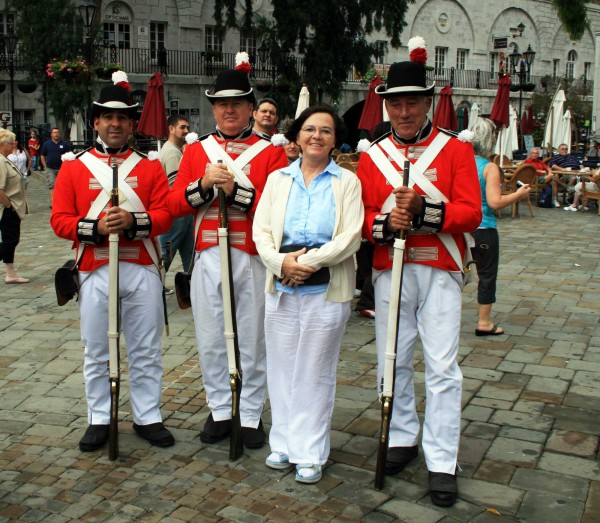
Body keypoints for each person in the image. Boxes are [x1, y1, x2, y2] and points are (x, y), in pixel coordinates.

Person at [356, 36, 482, 507]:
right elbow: (364, 217)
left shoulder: (455, 151)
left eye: (412, 103)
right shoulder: (372, 156)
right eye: (396, 104)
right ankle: (403, 437)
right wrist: (386, 223)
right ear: (386, 107)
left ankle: (442, 459)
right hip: (393, 269)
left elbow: (471, 212)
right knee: (392, 358)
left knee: (443, 366)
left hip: (441, 268)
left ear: (427, 103)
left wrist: (428, 213)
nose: (404, 112)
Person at [167, 59, 288, 449]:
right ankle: (219, 407)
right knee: (211, 336)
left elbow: (278, 210)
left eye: (237, 103)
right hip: (206, 253)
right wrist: (203, 185)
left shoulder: (270, 152)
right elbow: (175, 205)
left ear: (251, 108)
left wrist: (236, 191)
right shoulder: (196, 150)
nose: (229, 110)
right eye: (222, 104)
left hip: (249, 255)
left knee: (252, 338)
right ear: (213, 108)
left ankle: (250, 413)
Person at [50, 72, 175, 452]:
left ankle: (147, 415)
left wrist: (136, 222)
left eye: (122, 118)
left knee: (145, 346)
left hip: (141, 267)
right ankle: (100, 418)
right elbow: (59, 220)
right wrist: (98, 226)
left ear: (131, 123)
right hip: (94, 269)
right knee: (96, 348)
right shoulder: (74, 166)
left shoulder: (150, 165)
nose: (115, 124)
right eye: (108, 117)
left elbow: (166, 214)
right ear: (96, 123)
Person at [253, 105, 363, 484]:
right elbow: (260, 232)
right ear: (297, 136)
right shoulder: (277, 180)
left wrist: (309, 263)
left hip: (325, 288)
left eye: (326, 131)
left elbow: (350, 236)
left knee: (314, 371)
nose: (317, 136)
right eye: (310, 129)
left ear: (335, 140)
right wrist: (281, 263)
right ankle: (283, 443)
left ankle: (311, 451)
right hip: (281, 287)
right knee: (282, 369)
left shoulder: (347, 182)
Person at [471, 117, 531, 335]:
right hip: (484, 228)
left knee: (452, 274)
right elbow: (495, 202)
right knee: (486, 274)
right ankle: (484, 322)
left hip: (460, 226)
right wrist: (518, 194)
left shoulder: (459, 164)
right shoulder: (489, 168)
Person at [159, 114, 194, 273]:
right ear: (171, 129)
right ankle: (157, 283)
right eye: (182, 127)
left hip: (182, 214)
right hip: (176, 213)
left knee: (190, 254)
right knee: (167, 253)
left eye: (187, 127)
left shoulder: (172, 150)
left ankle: (190, 286)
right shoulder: (173, 153)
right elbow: (176, 186)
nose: (186, 131)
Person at [0, 130, 29, 284]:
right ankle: (10, 273)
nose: (13, 145)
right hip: (8, 208)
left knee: (11, 240)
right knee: (10, 241)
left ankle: (10, 273)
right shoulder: (0, 162)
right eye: (10, 143)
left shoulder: (6, 160)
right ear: (1, 144)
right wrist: (9, 206)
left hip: (13, 207)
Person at [40, 128, 72, 204]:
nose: (56, 134)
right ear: (51, 134)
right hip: (50, 168)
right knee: (52, 185)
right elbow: (42, 155)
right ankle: (54, 202)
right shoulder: (46, 144)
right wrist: (45, 166)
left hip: (62, 168)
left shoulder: (64, 144)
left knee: (63, 186)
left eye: (57, 132)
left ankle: (63, 201)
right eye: (54, 132)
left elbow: (70, 155)